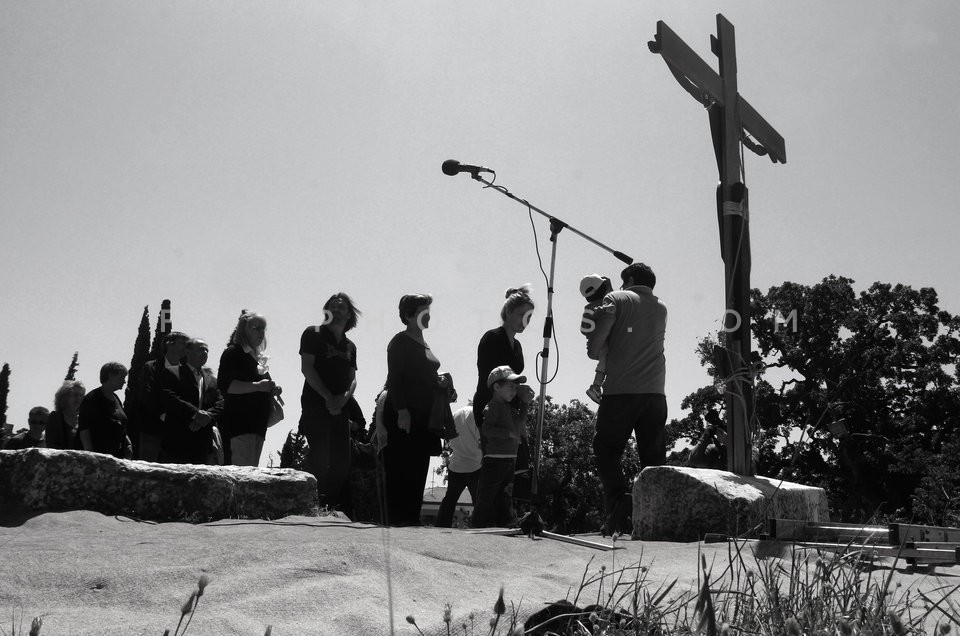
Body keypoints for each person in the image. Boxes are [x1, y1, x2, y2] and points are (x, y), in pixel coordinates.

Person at [586, 262, 667, 536]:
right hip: (656, 394)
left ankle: (620, 506)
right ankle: (654, 521)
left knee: (606, 450)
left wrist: (595, 344)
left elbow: (597, 344)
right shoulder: (661, 308)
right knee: (653, 462)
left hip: (621, 391)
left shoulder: (616, 298)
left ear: (629, 279)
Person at [382, 293, 445, 526]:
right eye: (422, 311)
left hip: (424, 416)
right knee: (400, 469)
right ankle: (394, 521)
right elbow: (395, 378)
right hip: (404, 413)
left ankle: (410, 521)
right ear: (409, 315)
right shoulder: (400, 341)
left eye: (428, 311)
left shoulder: (424, 343)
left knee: (418, 469)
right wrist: (402, 411)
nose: (428, 315)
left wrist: (441, 384)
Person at [299, 293, 361, 515]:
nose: (336, 309)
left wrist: (343, 399)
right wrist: (328, 397)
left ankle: (327, 505)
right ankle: (311, 506)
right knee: (319, 457)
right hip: (316, 405)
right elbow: (307, 368)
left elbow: (353, 378)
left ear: (349, 314)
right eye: (332, 306)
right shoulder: (313, 333)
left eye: (341, 306)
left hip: (340, 408)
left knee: (342, 462)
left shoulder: (350, 345)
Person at [217, 311, 281, 467]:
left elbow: (263, 385)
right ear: (243, 329)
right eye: (256, 328)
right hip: (239, 425)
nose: (261, 332)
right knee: (240, 476)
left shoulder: (256, 357)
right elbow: (226, 385)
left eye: (263, 328)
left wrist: (273, 388)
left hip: (257, 426)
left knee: (250, 474)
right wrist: (258, 386)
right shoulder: (233, 352)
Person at [472, 366, 530, 528]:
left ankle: (505, 520)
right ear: (497, 387)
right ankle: (480, 522)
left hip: (509, 459)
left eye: (516, 387)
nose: (515, 390)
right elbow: (487, 429)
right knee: (487, 493)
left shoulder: (509, 408)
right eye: (511, 386)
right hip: (495, 459)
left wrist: (524, 403)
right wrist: (508, 434)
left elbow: (519, 424)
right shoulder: (493, 407)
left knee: (506, 492)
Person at [472, 287, 535, 431]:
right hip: (490, 410)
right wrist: (518, 390)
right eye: (522, 315)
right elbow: (489, 378)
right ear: (508, 312)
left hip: (510, 411)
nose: (526, 321)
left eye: (529, 316)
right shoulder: (492, 338)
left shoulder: (517, 345)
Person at [160, 338, 224, 464]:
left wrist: (208, 416)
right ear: (187, 352)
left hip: (203, 441)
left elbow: (221, 403)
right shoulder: (172, 372)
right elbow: (170, 398)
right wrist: (195, 414)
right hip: (178, 437)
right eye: (201, 349)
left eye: (207, 350)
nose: (205, 352)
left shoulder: (212, 380)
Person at [137, 332, 190, 462]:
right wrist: (162, 414)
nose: (186, 347)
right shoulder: (151, 367)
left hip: (179, 432)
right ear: (169, 344)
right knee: (148, 470)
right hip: (152, 429)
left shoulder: (187, 372)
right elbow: (147, 394)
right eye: (182, 343)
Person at [435, 404, 482, 528]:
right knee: (478, 501)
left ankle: (441, 525)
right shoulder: (476, 415)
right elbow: (481, 441)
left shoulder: (456, 414)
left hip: (457, 463)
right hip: (475, 464)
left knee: (450, 499)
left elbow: (449, 437)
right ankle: (480, 526)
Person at [78, 362, 133, 459]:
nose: (124, 381)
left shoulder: (116, 399)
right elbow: (84, 429)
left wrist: (128, 444)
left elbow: (122, 425)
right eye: (122, 377)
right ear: (111, 376)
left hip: (117, 458)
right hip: (99, 458)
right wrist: (91, 456)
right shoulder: (92, 398)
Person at [578, 274, 614, 404]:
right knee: (606, 357)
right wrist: (598, 315)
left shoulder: (599, 305)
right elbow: (585, 329)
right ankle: (596, 386)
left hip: (606, 343)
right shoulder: (595, 308)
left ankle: (600, 386)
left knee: (608, 360)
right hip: (602, 345)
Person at [45, 381, 85, 450]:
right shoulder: (55, 418)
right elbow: (51, 445)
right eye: (75, 394)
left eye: (81, 395)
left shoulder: (84, 420)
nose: (78, 398)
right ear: (64, 397)